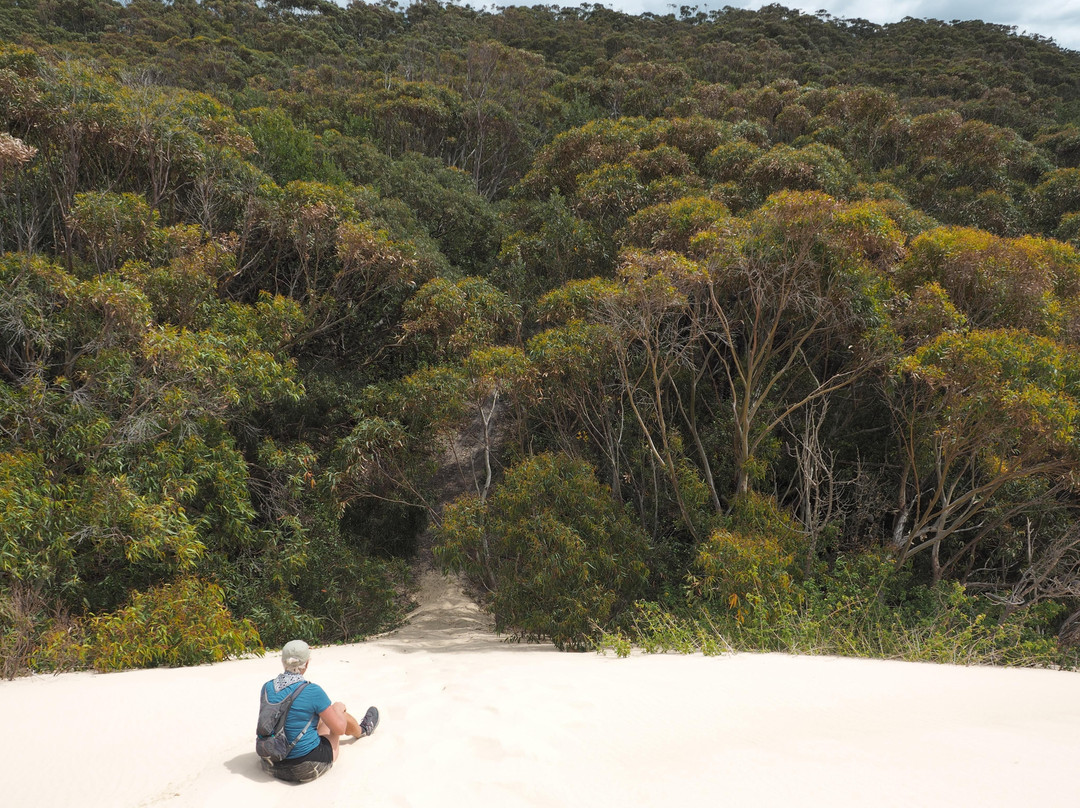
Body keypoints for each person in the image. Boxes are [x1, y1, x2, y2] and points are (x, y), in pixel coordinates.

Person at [260, 639, 379, 783]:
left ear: (283, 662)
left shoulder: (267, 688)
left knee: (312, 716)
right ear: (307, 663)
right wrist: (339, 709)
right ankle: (362, 730)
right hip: (304, 768)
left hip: (270, 763)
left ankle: (357, 728)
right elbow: (340, 730)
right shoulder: (312, 690)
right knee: (335, 711)